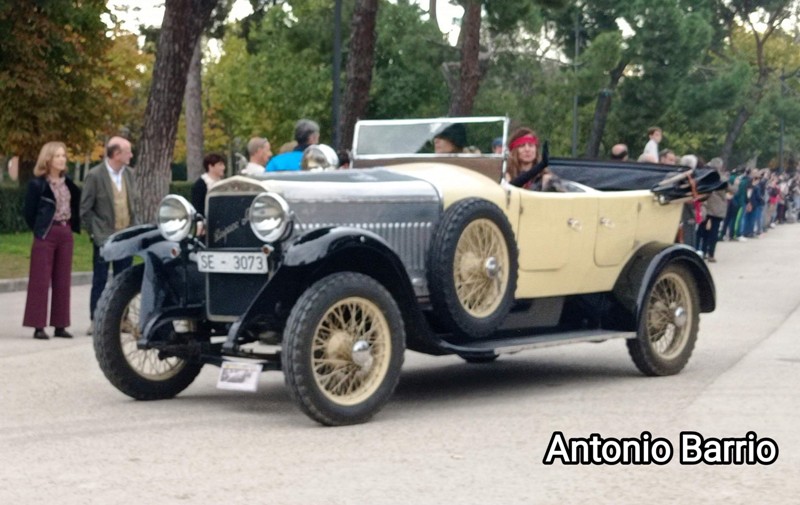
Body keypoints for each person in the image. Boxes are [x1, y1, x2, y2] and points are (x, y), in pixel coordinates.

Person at [80, 136, 139, 334]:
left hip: (126, 237)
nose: (131, 155)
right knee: (100, 279)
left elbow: (133, 204)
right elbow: (85, 209)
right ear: (116, 154)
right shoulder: (95, 175)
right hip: (104, 238)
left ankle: (123, 319)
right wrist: (95, 233)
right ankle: (96, 320)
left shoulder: (130, 174)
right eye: (128, 151)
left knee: (125, 279)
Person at [22, 141, 81, 340]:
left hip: (65, 232)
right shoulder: (37, 184)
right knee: (40, 280)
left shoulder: (69, 183)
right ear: (48, 159)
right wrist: (40, 230)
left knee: (63, 279)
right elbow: (29, 212)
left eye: (63, 155)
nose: (62, 159)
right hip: (46, 233)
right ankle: (38, 325)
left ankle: (60, 325)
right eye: (57, 156)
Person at [695, 157, 727, 262]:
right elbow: (732, 189)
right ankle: (711, 254)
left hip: (706, 205)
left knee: (703, 231)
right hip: (717, 209)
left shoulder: (705, 175)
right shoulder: (722, 178)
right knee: (714, 233)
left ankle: (702, 251)